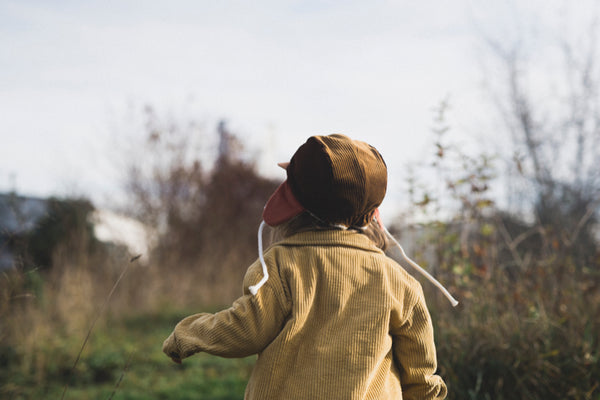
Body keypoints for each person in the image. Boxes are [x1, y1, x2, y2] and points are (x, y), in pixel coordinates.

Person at [162, 134, 448, 399]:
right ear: (372, 213)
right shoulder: (397, 280)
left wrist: (188, 333)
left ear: (292, 205)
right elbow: (421, 373)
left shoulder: (282, 265)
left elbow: (246, 330)